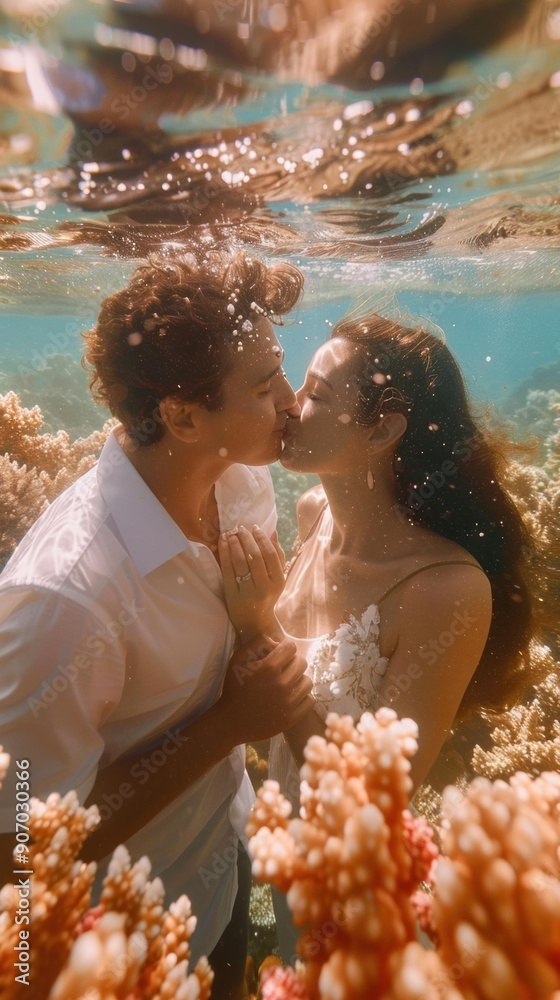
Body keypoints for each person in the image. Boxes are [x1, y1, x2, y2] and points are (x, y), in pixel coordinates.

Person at [0, 249, 314, 999]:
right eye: (267, 384)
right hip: (123, 954)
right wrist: (232, 725)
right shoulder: (66, 600)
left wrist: (253, 627)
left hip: (222, 865)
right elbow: (20, 846)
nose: (294, 399)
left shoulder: (240, 481)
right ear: (182, 415)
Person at [220, 310, 533, 961]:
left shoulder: (446, 588)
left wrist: (258, 631)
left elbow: (370, 804)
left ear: (383, 429)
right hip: (280, 858)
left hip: (356, 896)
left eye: (316, 393)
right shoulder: (311, 514)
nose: (288, 403)